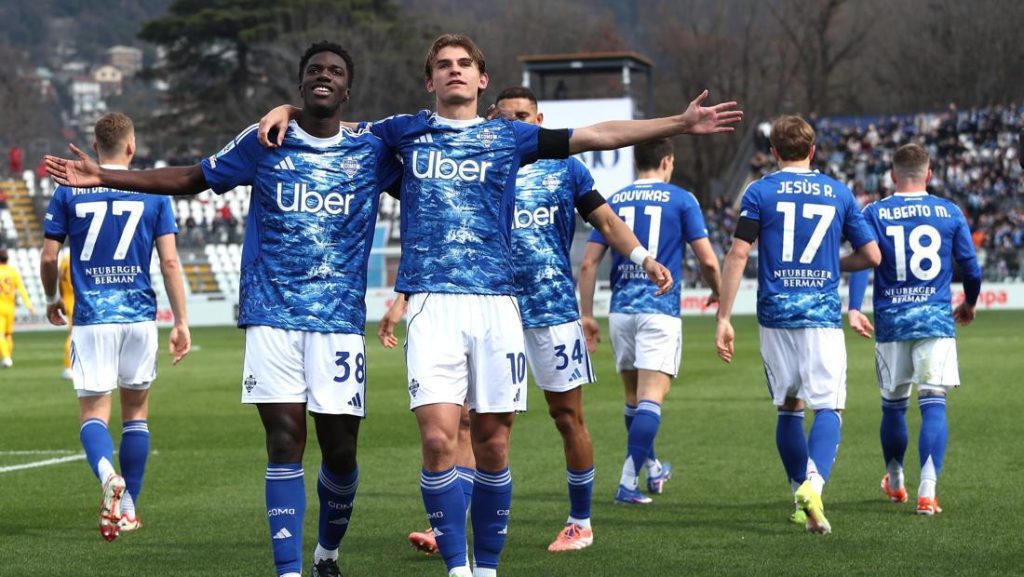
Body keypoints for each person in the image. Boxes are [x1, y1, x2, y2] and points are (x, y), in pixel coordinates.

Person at [260, 32, 740, 577]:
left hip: (501, 306)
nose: (455, 70)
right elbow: (329, 124)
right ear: (430, 80)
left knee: (495, 442)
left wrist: (678, 123)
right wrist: (287, 109)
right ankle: (458, 567)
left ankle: (510, 553)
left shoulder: (509, 138)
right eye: (444, 64)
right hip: (433, 305)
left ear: (481, 78)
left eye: (465, 63)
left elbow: (599, 134)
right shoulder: (403, 131)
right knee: (440, 437)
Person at [45, 42, 401, 577]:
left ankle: (327, 553)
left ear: (348, 88)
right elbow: (192, 177)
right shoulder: (265, 140)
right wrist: (106, 175)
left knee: (341, 454)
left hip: (339, 322)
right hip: (270, 316)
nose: (323, 76)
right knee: (284, 441)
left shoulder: (371, 149)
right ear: (300, 83)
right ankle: (288, 570)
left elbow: (421, 190)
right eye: (314, 70)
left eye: (334, 71)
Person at [383, 86, 674, 554]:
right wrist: (403, 299)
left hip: (551, 309)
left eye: (525, 116)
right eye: (508, 117)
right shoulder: (477, 162)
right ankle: (450, 523)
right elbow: (433, 230)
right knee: (469, 421)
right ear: (493, 120)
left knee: (567, 416)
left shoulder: (566, 168)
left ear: (538, 121)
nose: (517, 123)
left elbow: (606, 222)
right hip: (486, 306)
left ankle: (580, 522)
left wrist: (644, 258)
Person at [714, 115, 880, 535]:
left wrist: (723, 317)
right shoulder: (839, 193)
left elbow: (737, 254)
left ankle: (799, 496)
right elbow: (872, 256)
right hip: (820, 315)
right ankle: (814, 487)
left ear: (773, 152)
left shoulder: (759, 191)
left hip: (775, 314)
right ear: (812, 150)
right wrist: (833, 264)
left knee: (789, 406)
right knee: (829, 406)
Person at [39, 111, 191, 542]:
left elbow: (49, 257)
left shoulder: (69, 189)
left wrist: (52, 298)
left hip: (92, 319)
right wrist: (181, 320)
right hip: (139, 318)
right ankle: (128, 511)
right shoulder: (153, 191)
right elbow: (170, 262)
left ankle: (109, 476)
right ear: (131, 146)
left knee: (93, 415)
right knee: (136, 414)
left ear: (95, 146)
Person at [578, 137, 721, 505]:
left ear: (635, 161)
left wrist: (587, 314)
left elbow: (588, 263)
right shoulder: (682, 200)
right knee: (652, 398)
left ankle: (653, 467)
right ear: (668, 161)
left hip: (621, 310)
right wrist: (719, 292)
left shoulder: (614, 201)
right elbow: (707, 260)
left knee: (634, 399)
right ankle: (628, 482)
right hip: (659, 307)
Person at [847, 143, 981, 515]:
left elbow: (863, 261)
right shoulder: (949, 211)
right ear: (929, 174)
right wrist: (969, 302)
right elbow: (971, 268)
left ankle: (895, 481)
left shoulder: (875, 212)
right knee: (933, 402)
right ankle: (927, 491)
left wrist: (855, 307)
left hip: (892, 321)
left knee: (893, 407)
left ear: (892, 175)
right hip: (934, 320)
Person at [0, 248, 35, 367]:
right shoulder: (13, 271)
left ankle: (6, 358)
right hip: (11, 308)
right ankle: (8, 357)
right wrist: (29, 305)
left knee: (0, 334)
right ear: (7, 259)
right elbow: (21, 289)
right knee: (8, 334)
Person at [58, 250, 75, 379]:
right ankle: (68, 367)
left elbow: (59, 278)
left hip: (68, 299)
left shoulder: (65, 258)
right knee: (73, 335)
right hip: (80, 298)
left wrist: (62, 297)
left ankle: (70, 367)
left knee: (74, 334)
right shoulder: (81, 255)